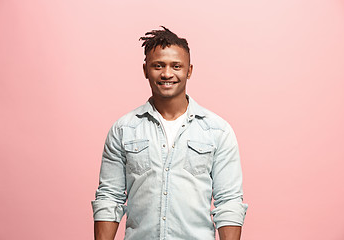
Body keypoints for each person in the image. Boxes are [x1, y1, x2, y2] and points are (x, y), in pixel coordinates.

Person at [92, 26, 248, 240]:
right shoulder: (123, 129)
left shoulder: (217, 131)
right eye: (158, 66)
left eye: (176, 66)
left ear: (189, 70)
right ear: (145, 69)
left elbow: (229, 202)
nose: (167, 74)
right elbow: (109, 198)